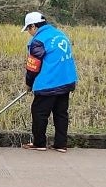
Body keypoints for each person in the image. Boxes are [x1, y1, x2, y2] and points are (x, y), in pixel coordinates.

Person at [20, 11, 78, 153]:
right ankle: (61, 144)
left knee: (39, 112)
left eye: (28, 28)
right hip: (66, 80)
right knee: (61, 113)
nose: (29, 32)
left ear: (33, 26)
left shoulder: (38, 40)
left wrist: (29, 83)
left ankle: (39, 143)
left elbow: (33, 66)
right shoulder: (60, 34)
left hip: (49, 82)